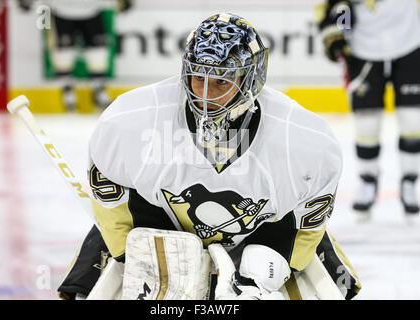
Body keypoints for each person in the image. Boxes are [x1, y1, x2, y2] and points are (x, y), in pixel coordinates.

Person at [58, 13, 360, 300]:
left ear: (250, 80)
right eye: (198, 78)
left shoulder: (304, 141)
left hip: (263, 235)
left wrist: (270, 266)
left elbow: (306, 221)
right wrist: (137, 254)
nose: (205, 96)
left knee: (327, 289)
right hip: (157, 227)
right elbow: (112, 197)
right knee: (86, 289)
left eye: (221, 82)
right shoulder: (130, 121)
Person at [316, 0, 420, 220]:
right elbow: (331, 6)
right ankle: (367, 181)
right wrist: (334, 31)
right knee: (367, 123)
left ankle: (410, 181)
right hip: (362, 48)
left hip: (411, 42)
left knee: (412, 119)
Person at [18, 0, 133, 110]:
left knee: (98, 50)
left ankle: (99, 89)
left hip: (93, 8)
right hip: (61, 9)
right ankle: (67, 90)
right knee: (63, 51)